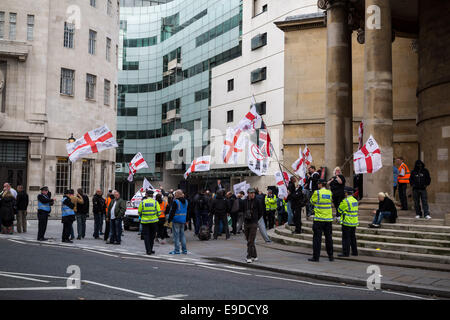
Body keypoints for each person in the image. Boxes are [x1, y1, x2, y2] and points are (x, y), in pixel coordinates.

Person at [309, 179, 334, 262]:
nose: (317, 185)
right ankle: (331, 256)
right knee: (329, 238)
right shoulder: (329, 193)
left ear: (320, 184)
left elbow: (312, 201)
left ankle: (316, 257)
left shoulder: (317, 192)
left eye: (318, 184)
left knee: (317, 239)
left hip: (319, 219)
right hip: (328, 219)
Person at [337, 187, 359, 257]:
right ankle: (355, 252)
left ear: (346, 193)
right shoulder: (355, 200)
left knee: (346, 238)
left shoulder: (345, 201)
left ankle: (346, 253)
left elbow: (339, 210)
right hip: (354, 221)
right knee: (353, 237)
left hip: (346, 222)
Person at [243, 188, 263, 263]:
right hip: (246, 223)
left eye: (254, 193)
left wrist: (255, 218)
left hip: (254, 223)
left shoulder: (257, 201)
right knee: (249, 240)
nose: (253, 194)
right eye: (251, 193)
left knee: (250, 241)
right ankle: (255, 255)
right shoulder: (245, 201)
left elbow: (261, 212)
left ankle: (249, 256)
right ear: (248, 193)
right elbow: (242, 210)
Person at [139, 190, 160, 255]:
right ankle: (150, 249)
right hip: (154, 222)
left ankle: (148, 250)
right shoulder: (155, 202)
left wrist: (143, 217)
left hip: (145, 222)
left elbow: (139, 212)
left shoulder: (142, 202)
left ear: (146, 195)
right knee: (152, 236)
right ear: (152, 195)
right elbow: (159, 213)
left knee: (146, 236)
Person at [167, 190, 188, 254]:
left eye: (175, 194)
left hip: (176, 220)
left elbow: (172, 212)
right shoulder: (186, 201)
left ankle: (177, 250)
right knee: (182, 235)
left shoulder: (176, 202)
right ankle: (184, 250)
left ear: (177, 195)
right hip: (183, 219)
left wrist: (169, 220)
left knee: (176, 236)